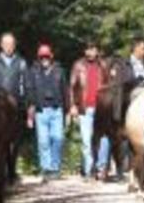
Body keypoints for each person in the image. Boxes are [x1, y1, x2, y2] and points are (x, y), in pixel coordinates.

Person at [0, 31, 33, 184]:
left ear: (14, 45)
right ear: (1, 45)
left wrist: (29, 104)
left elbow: (28, 85)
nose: (8, 47)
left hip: (16, 108)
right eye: (6, 44)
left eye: (11, 44)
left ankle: (11, 172)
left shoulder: (21, 62)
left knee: (14, 142)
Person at [68, 42, 111, 180]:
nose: (90, 52)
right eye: (88, 49)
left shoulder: (104, 65)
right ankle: (89, 170)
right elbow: (72, 86)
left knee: (103, 140)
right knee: (87, 141)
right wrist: (73, 105)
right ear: (85, 51)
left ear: (97, 51)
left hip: (101, 109)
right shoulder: (78, 65)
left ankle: (101, 168)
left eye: (93, 49)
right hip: (84, 108)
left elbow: (110, 86)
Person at [28, 44, 68, 182]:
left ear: (51, 56)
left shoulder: (59, 71)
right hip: (40, 111)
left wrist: (67, 111)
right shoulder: (33, 71)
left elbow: (65, 91)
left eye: (46, 56)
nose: (44, 59)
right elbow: (30, 91)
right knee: (43, 141)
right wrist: (30, 112)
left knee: (57, 139)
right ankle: (46, 169)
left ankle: (55, 168)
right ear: (39, 58)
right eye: (41, 57)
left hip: (57, 110)